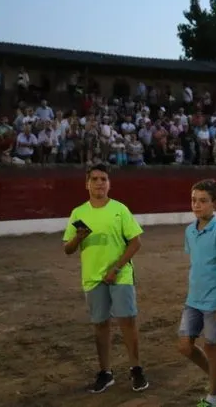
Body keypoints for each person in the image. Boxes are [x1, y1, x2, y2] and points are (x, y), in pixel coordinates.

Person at [62, 163, 150, 394]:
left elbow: (136, 242)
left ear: (109, 184)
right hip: (93, 277)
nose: (100, 183)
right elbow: (68, 249)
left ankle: (136, 369)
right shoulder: (78, 213)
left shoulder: (120, 209)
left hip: (120, 275)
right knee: (100, 325)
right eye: (95, 179)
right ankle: (105, 372)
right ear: (87, 184)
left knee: (127, 321)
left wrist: (116, 268)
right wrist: (78, 237)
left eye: (104, 179)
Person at [178, 179, 216, 407]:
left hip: (214, 301)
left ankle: (213, 396)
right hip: (193, 299)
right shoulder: (189, 231)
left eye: (203, 201)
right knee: (185, 346)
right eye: (194, 200)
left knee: (211, 347)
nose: (196, 205)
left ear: (215, 203)